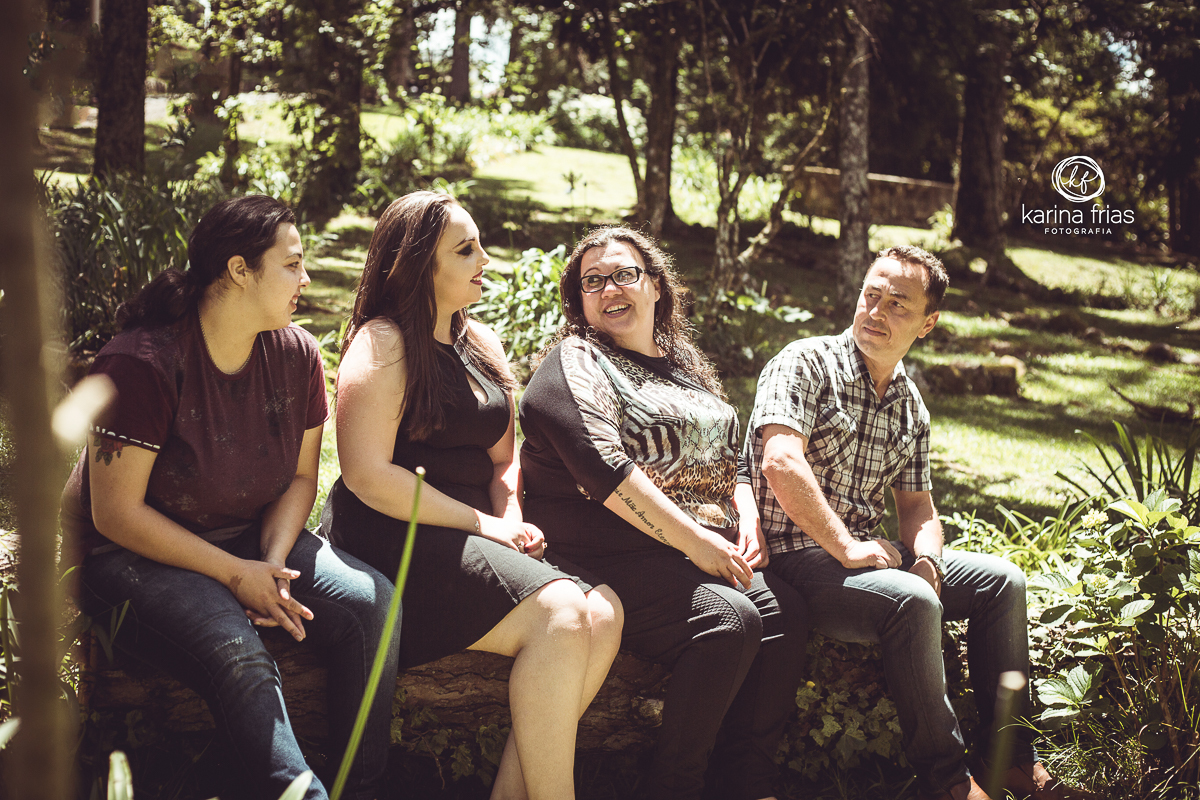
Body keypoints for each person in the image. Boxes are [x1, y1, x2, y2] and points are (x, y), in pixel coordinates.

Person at [61, 196, 399, 800]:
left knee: (373, 604)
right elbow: (114, 514)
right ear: (240, 270)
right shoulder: (141, 363)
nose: (307, 278)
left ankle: (362, 788)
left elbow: (301, 477)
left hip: (246, 538)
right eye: (292, 264)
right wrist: (235, 574)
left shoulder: (296, 354)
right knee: (236, 653)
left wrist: (269, 564)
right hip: (127, 555)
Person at [318, 191, 622, 800]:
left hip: (475, 529)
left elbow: (505, 458)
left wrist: (509, 516)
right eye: (466, 249)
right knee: (562, 614)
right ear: (416, 266)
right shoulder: (382, 345)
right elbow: (366, 476)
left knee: (605, 611)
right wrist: (486, 525)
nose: (486, 258)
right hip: (393, 535)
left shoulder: (478, 340)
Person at [743, 245, 1068, 800]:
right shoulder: (805, 362)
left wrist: (926, 559)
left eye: (898, 304)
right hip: (795, 559)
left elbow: (917, 506)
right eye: (872, 294)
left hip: (862, 558)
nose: (876, 311)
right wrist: (847, 547)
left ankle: (1010, 759)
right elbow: (779, 463)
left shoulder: (909, 402)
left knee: (1001, 583)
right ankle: (947, 782)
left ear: (927, 323)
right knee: (910, 602)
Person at [518, 226, 810, 800]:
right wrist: (697, 543)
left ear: (655, 287)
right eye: (592, 281)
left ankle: (746, 783)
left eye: (623, 274)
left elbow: (733, 457)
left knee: (787, 615)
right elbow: (604, 468)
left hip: (686, 547)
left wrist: (744, 512)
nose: (609, 289)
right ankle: (675, 786)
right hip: (605, 548)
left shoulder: (682, 368)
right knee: (728, 621)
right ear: (578, 301)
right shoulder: (575, 361)